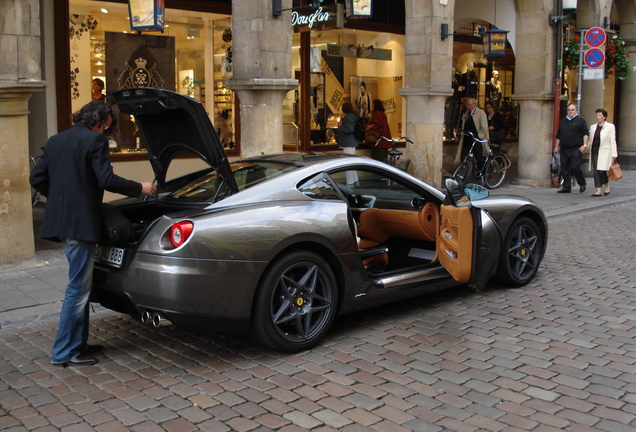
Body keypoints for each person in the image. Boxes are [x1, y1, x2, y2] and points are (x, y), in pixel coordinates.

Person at [30, 100, 156, 367]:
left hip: (63, 223)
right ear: (100, 122)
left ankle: (77, 344)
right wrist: (140, 188)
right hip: (80, 225)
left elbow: (37, 179)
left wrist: (63, 199)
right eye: (106, 128)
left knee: (81, 286)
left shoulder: (55, 140)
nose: (106, 133)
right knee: (77, 290)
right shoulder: (94, 142)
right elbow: (106, 180)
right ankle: (64, 352)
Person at [555, 103, 588, 193]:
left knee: (574, 166)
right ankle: (566, 187)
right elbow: (559, 135)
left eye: (572, 110)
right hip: (564, 148)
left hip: (576, 148)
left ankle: (582, 183)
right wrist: (556, 146)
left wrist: (584, 145)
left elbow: (585, 134)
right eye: (569, 110)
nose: (570, 111)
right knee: (564, 168)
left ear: (576, 111)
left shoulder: (581, 121)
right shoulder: (563, 121)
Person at [588, 108, 618, 196]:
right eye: (597, 115)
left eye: (600, 115)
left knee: (602, 170)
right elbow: (591, 140)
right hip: (594, 151)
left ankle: (607, 185)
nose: (598, 117)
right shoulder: (593, 127)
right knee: (596, 171)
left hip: (604, 151)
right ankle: (598, 190)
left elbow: (612, 140)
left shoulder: (610, 127)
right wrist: (585, 147)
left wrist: (614, 154)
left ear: (604, 117)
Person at [455, 97, 489, 169]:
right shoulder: (466, 114)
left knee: (478, 156)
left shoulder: (480, 113)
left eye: (469, 105)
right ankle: (462, 173)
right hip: (467, 138)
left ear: (474, 104)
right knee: (464, 155)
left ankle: (485, 170)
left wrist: (479, 137)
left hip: (476, 138)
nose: (468, 106)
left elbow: (484, 127)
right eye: (467, 105)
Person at [338, 102, 360, 184]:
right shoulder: (352, 117)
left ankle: (350, 183)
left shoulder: (347, 118)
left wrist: (340, 126)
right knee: (352, 164)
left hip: (348, 143)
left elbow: (349, 130)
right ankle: (355, 181)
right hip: (352, 143)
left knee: (348, 165)